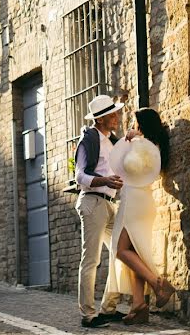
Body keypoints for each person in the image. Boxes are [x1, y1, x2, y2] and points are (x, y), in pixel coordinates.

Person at [107, 107, 176, 325]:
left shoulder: (145, 146)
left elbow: (129, 165)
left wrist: (134, 140)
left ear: (144, 125)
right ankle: (139, 305)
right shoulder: (154, 146)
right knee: (135, 252)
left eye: (137, 123)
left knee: (120, 250)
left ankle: (158, 284)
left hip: (135, 200)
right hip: (142, 200)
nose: (134, 126)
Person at [74, 94, 126, 329]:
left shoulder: (111, 141)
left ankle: (108, 308)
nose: (116, 117)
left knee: (122, 253)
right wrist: (105, 180)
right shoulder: (88, 140)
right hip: (93, 203)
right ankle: (88, 315)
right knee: (92, 260)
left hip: (109, 204)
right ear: (101, 119)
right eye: (112, 114)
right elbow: (80, 176)